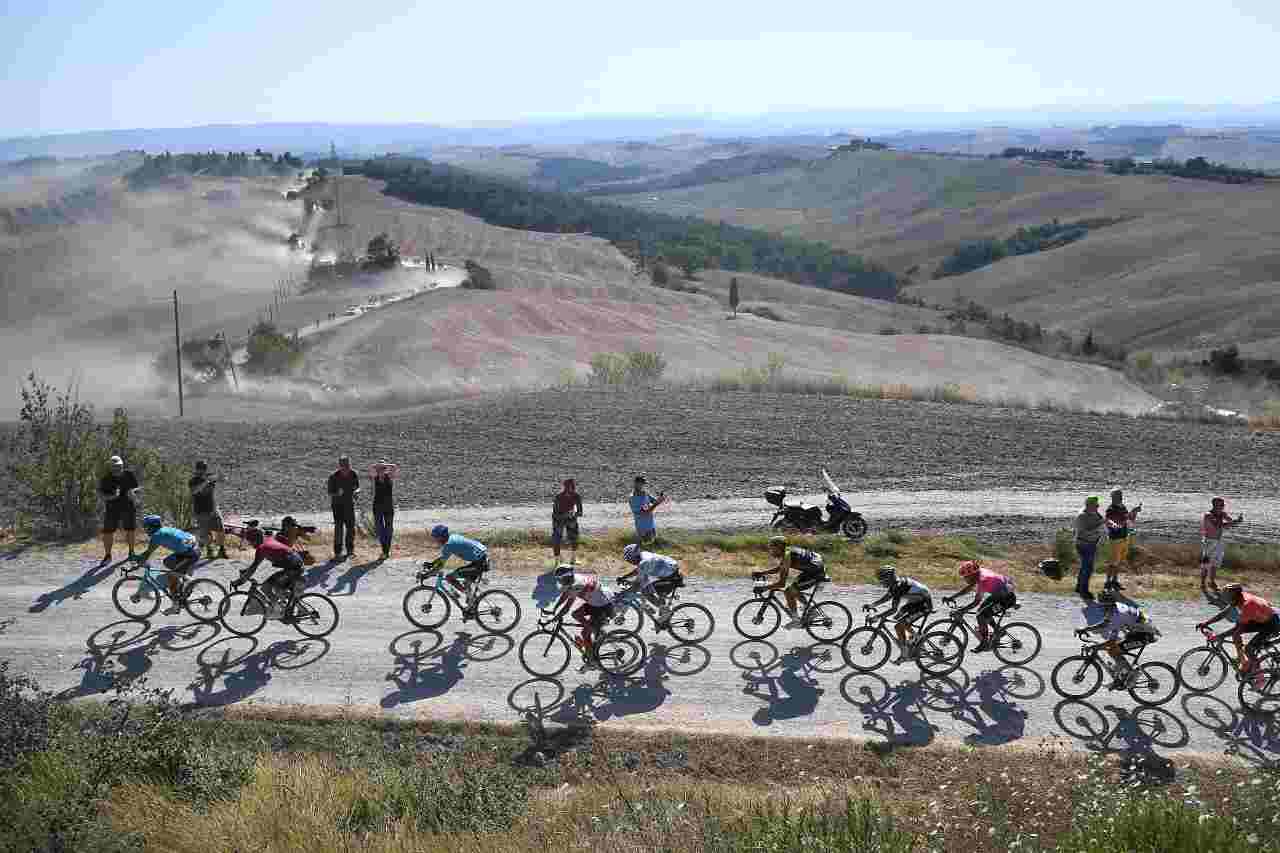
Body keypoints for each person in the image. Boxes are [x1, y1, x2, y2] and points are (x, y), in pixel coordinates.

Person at [1198, 584, 1278, 690]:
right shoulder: (1238, 597)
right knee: (1236, 635)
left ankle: (1260, 678)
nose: (1224, 598)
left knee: (1249, 649)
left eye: (1226, 596)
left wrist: (1219, 636)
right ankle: (1242, 660)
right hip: (1261, 619)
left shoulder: (1247, 604)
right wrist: (1206, 623)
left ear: (1233, 595)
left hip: (1272, 624)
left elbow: (1237, 629)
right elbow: (1224, 613)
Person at [1076, 593, 1160, 688]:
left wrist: (1096, 646)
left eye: (1103, 607)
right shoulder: (1114, 609)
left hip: (1145, 634)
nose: (1102, 609)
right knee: (1113, 650)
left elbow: (1110, 638)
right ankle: (1121, 676)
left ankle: (1132, 675)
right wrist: (1085, 629)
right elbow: (1104, 624)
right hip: (1138, 632)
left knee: (1113, 650)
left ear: (1109, 606)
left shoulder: (1117, 615)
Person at [549, 564, 615, 670]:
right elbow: (566, 594)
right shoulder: (573, 579)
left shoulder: (577, 585)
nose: (559, 582)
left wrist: (555, 617)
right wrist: (554, 608)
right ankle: (593, 629)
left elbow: (567, 607)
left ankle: (592, 661)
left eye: (559, 579)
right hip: (599, 600)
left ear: (565, 577)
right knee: (576, 614)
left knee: (584, 633)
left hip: (602, 606)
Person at [131, 515, 200, 615]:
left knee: (171, 577)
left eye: (146, 527)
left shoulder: (157, 535)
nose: (145, 530)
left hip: (189, 554)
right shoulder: (165, 529)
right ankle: (182, 581)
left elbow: (147, 554)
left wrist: (136, 563)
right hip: (193, 549)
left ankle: (175, 606)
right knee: (167, 561)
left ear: (152, 526)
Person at [865, 565, 933, 664]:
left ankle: (909, 651)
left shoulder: (898, 586)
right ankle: (915, 640)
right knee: (898, 621)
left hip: (924, 604)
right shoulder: (895, 584)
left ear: (889, 578)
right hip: (915, 602)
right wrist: (872, 605)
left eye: (882, 580)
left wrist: (877, 617)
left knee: (900, 625)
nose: (881, 582)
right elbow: (887, 597)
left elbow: (893, 609)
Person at [944, 560, 1016, 653]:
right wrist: (952, 597)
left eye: (966, 577)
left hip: (1006, 599)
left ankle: (984, 642)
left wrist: (962, 610)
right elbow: (969, 588)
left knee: (980, 615)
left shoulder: (982, 579)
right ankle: (999, 631)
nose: (965, 579)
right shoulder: (978, 573)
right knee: (983, 611)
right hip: (1000, 594)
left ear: (972, 575)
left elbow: (976, 602)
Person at [754, 536, 826, 628]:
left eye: (772, 549)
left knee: (789, 590)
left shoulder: (787, 556)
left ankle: (802, 617)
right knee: (791, 589)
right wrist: (763, 573)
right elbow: (780, 568)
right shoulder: (788, 552)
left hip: (816, 573)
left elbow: (781, 583)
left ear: (779, 547)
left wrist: (764, 588)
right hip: (812, 569)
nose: (771, 551)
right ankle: (807, 610)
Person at [236, 523, 306, 614]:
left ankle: (279, 611)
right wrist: (246, 572)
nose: (251, 544)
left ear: (255, 540)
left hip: (293, 567)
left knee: (267, 587)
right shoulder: (267, 540)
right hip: (295, 564)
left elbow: (254, 567)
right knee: (275, 588)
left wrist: (240, 581)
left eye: (251, 542)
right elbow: (254, 566)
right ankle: (296, 607)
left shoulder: (262, 548)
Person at [425, 525, 489, 608]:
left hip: (480, 563)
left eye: (436, 538)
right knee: (466, 582)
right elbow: (442, 559)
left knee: (450, 578)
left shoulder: (449, 544)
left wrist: (427, 575)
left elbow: (440, 565)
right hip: (481, 559)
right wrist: (432, 564)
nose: (435, 540)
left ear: (441, 537)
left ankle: (471, 598)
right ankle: (471, 604)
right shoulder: (452, 537)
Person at [616, 543, 681, 623]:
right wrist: (624, 577)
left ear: (634, 556)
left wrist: (624, 593)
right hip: (669, 570)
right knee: (645, 585)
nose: (631, 562)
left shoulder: (645, 562)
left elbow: (638, 583)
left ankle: (666, 611)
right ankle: (662, 612)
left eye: (630, 560)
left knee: (645, 591)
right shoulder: (643, 555)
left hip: (670, 575)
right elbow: (639, 570)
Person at [98, 455, 141, 564]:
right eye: (114, 466)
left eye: (119, 466)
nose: (117, 468)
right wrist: (113, 497)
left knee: (130, 530)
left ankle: (131, 553)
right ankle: (108, 556)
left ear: (122, 465)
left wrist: (133, 493)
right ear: (110, 467)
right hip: (112, 509)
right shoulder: (106, 479)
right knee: (108, 532)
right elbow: (102, 496)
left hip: (128, 507)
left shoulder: (129, 474)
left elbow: (137, 488)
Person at [1200, 497, 1244, 593]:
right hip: (1209, 542)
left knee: (1216, 563)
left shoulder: (1222, 514)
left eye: (1223, 505)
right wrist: (1234, 522)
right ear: (1215, 505)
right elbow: (1219, 525)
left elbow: (1230, 523)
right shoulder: (1208, 515)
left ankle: (1212, 582)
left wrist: (1238, 521)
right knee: (1206, 563)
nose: (1223, 506)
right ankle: (1203, 583)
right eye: (1222, 505)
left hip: (1219, 541)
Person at [1103, 489, 1141, 593]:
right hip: (1115, 539)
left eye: (1120, 495)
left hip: (1124, 537)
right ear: (1112, 497)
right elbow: (1115, 523)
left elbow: (1129, 520)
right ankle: (1107, 583)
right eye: (1117, 495)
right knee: (1113, 562)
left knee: (1118, 561)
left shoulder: (1122, 507)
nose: (1120, 497)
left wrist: (1134, 512)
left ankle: (1114, 581)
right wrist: (1130, 514)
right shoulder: (1110, 509)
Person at [189, 461, 227, 560]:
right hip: (201, 511)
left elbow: (223, 480)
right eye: (200, 469)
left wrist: (220, 475)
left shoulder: (209, 478)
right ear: (197, 470)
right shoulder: (194, 480)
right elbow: (195, 491)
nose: (202, 471)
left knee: (221, 530)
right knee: (206, 533)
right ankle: (210, 550)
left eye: (204, 469)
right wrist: (206, 481)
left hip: (213, 509)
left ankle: (221, 550)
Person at [1074, 496, 1108, 600]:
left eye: (1098, 505)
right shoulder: (1082, 516)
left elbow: (1101, 522)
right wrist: (1100, 525)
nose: (1098, 507)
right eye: (1096, 505)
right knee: (1087, 568)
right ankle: (1084, 591)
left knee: (1085, 567)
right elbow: (1086, 530)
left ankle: (1079, 587)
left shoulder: (1095, 513)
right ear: (1089, 505)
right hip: (1084, 544)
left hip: (1092, 544)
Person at [326, 455, 360, 559]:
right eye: (343, 466)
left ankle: (350, 551)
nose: (346, 468)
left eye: (347, 465)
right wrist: (337, 493)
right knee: (339, 529)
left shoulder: (353, 474)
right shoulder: (333, 476)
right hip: (337, 507)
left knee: (351, 529)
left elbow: (357, 487)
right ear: (340, 466)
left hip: (350, 505)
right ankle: (338, 552)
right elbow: (330, 493)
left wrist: (356, 492)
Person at [370, 460, 398, 559]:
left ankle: (386, 551)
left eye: (383, 468)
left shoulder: (389, 477)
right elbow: (371, 468)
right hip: (377, 507)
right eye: (379, 469)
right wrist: (377, 465)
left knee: (389, 529)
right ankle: (384, 550)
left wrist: (385, 465)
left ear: (385, 469)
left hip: (388, 506)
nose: (381, 470)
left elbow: (394, 466)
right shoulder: (375, 477)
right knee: (380, 528)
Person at [552, 479, 584, 565]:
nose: (569, 489)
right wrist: (566, 515)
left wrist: (573, 515)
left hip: (570, 518)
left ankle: (573, 559)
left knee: (574, 538)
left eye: (571, 487)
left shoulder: (576, 496)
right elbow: (555, 513)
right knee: (557, 539)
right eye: (567, 487)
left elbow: (580, 512)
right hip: (558, 519)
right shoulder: (559, 497)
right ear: (564, 487)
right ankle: (557, 561)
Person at [629, 475, 667, 544]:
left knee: (653, 546)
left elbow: (654, 501)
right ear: (636, 483)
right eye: (642, 483)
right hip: (643, 528)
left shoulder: (645, 493)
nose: (643, 485)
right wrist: (657, 502)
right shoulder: (633, 498)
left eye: (644, 484)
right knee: (646, 546)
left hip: (651, 525)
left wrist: (660, 498)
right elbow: (645, 512)